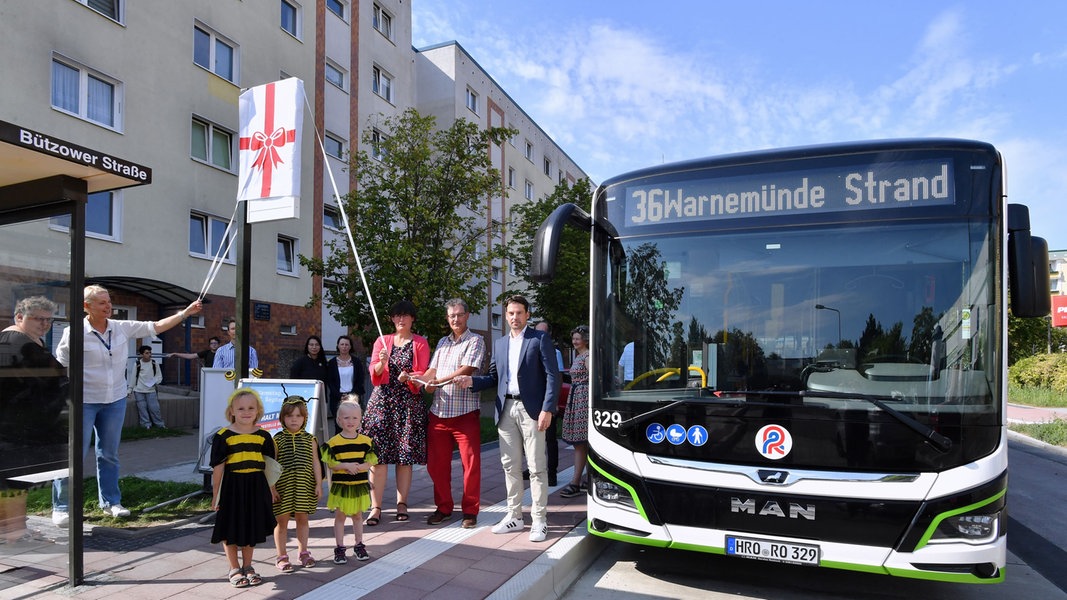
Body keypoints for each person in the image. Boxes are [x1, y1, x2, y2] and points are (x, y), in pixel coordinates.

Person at [54, 285, 202, 524]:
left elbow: (156, 326)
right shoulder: (74, 332)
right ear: (86, 307)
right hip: (84, 401)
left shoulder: (121, 328)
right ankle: (62, 507)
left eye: (109, 301)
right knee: (74, 455)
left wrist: (185, 313)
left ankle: (111, 502)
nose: (108, 306)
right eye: (102, 303)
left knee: (109, 455)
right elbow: (60, 365)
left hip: (115, 400)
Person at [455, 294, 560, 542]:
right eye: (510, 313)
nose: (514, 317)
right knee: (510, 466)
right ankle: (514, 516)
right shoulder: (501, 344)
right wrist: (472, 381)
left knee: (536, 467)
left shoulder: (540, 339)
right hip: (505, 410)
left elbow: (552, 376)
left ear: (527, 314)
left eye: (519, 313)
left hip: (532, 411)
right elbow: (493, 378)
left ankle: (539, 520)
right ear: (506, 315)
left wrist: (547, 409)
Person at [362, 300, 430, 526]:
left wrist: (409, 376)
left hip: (408, 405)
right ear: (392, 319)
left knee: (404, 458)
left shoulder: (420, 343)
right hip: (382, 404)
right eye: (397, 316)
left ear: (412, 319)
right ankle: (376, 507)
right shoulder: (382, 341)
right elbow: (375, 374)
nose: (401, 319)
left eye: (405, 316)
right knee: (377, 459)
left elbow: (422, 374)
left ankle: (402, 503)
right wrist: (382, 363)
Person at [421, 299, 486, 528]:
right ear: (447, 319)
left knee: (470, 464)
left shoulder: (476, 340)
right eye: (451, 316)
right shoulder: (442, 342)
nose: (455, 319)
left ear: (467, 315)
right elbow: (432, 370)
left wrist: (438, 380)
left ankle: (470, 510)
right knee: (436, 465)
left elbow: (467, 369)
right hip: (439, 412)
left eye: (459, 315)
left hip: (465, 412)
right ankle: (444, 507)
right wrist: (425, 381)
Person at [210, 388, 279, 588]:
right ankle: (233, 568)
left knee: (251, 527)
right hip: (232, 488)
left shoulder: (264, 436)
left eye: (251, 408)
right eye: (240, 408)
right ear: (231, 410)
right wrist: (216, 495)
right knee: (230, 526)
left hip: (256, 488)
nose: (246, 412)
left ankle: (248, 567)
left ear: (258, 411)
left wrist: (272, 489)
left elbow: (269, 466)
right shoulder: (223, 436)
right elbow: (218, 468)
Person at [0, 296, 68, 449]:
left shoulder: (29, 340)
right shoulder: (17, 342)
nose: (45, 324)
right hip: (22, 434)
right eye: (39, 319)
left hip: (29, 428)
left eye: (48, 320)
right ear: (19, 317)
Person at [272, 395, 322, 573]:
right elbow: (271, 466)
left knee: (303, 519)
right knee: (281, 521)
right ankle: (281, 556)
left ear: (305, 418)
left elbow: (316, 462)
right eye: (290, 416)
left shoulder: (310, 439)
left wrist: (318, 484)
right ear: (282, 418)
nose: (294, 419)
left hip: (304, 486)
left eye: (299, 416)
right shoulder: (277, 439)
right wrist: (272, 488)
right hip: (283, 488)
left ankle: (303, 552)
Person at [322, 400, 376, 563]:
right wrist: (345, 465)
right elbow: (331, 464)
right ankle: (339, 548)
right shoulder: (333, 443)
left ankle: (359, 544)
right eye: (346, 418)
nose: (350, 422)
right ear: (338, 420)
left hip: (358, 486)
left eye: (354, 418)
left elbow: (370, 462)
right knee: (340, 516)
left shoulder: (366, 442)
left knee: (358, 516)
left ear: (360, 420)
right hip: (342, 487)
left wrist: (359, 468)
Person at [559, 326, 590, 498]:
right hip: (577, 397)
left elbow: (593, 378)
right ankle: (586, 480)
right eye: (573, 339)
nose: (574, 341)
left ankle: (576, 481)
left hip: (583, 399)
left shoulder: (587, 356)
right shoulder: (580, 356)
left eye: (578, 338)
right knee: (582, 442)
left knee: (581, 442)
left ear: (585, 339)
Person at [534, 321, 561, 486]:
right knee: (532, 440)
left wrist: (553, 402)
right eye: (538, 331)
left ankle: (552, 473)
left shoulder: (554, 352)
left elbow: (556, 377)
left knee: (550, 439)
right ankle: (533, 469)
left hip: (547, 401)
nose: (541, 335)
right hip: (532, 402)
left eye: (544, 332)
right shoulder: (528, 348)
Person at [325, 335, 365, 424]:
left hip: (353, 398)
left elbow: (360, 379)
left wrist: (351, 395)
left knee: (353, 425)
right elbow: (330, 382)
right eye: (342, 344)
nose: (344, 347)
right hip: (337, 399)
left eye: (346, 344)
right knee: (339, 425)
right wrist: (340, 396)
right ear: (338, 346)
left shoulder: (356, 362)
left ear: (350, 346)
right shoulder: (332, 363)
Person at [130, 345, 165, 429]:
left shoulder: (154, 363)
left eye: (150, 352)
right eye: (146, 353)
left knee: (154, 409)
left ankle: (159, 424)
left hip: (151, 390)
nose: (149, 354)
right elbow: (133, 377)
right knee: (142, 409)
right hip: (139, 390)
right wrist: (130, 389)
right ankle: (146, 425)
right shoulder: (137, 364)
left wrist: (156, 382)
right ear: (142, 354)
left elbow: (159, 376)